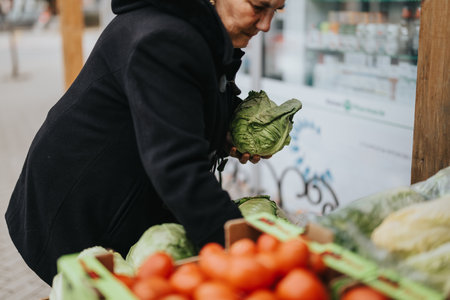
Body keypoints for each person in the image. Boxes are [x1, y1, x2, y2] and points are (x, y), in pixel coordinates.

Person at [5, 0, 285, 285]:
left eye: (278, 10)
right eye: (259, 6)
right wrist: (246, 252)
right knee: (97, 287)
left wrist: (222, 132)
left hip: (124, 191)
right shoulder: (163, 38)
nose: (266, 24)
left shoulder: (200, 29)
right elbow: (179, 169)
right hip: (81, 205)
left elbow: (187, 102)